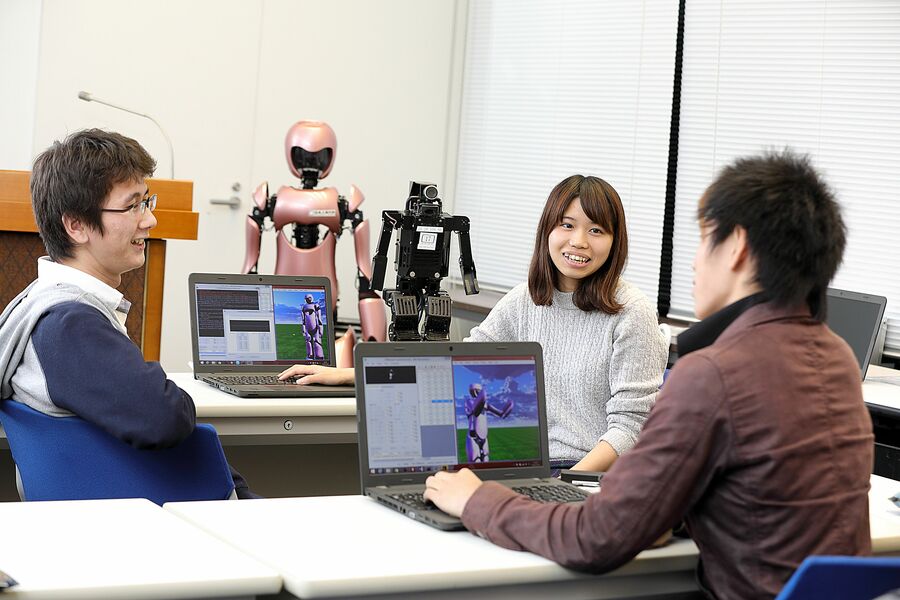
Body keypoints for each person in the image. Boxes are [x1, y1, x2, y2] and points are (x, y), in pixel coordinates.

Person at [421, 150, 874, 599]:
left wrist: (477, 501)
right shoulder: (836, 357)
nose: (694, 263)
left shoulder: (713, 373)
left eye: (703, 240)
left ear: (735, 247)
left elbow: (597, 537)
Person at [280, 175, 669, 472]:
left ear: (614, 241)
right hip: (517, 467)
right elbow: (458, 361)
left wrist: (562, 485)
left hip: (584, 477)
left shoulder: (631, 313)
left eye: (596, 230)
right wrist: (349, 374)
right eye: (567, 225)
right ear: (547, 231)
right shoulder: (526, 300)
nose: (579, 241)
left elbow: (630, 429)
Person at [0, 129, 257, 498]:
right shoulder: (70, 325)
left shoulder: (39, 305)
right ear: (76, 225)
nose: (149, 220)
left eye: (146, 201)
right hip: (169, 516)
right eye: (132, 205)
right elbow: (165, 417)